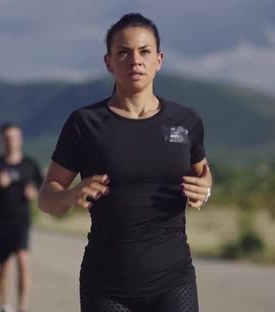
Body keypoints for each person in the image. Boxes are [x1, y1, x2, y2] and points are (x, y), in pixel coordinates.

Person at [38, 13, 212, 312]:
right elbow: (46, 197)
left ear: (159, 59)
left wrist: (205, 190)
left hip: (174, 280)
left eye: (144, 52)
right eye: (124, 52)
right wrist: (69, 195)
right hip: (107, 286)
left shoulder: (185, 121)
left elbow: (203, 172)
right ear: (108, 62)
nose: (135, 60)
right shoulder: (85, 123)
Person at [0, 123, 44, 312]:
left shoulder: (30, 165)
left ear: (21, 140)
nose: (11, 142)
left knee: (23, 260)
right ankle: (4, 304)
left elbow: (42, 187)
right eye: (7, 138)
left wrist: (34, 193)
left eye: (15, 137)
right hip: (0, 222)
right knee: (4, 267)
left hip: (21, 220)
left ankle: (22, 306)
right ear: (1, 141)